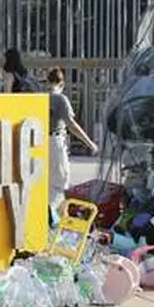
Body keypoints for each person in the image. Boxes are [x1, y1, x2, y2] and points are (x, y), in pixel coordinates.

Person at [47, 67, 98, 223]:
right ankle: (57, 220)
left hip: (41, 142)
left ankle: (49, 217)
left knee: (47, 182)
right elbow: (71, 125)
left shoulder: (41, 97)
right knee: (60, 182)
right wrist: (90, 143)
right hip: (55, 141)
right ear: (62, 83)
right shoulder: (60, 99)